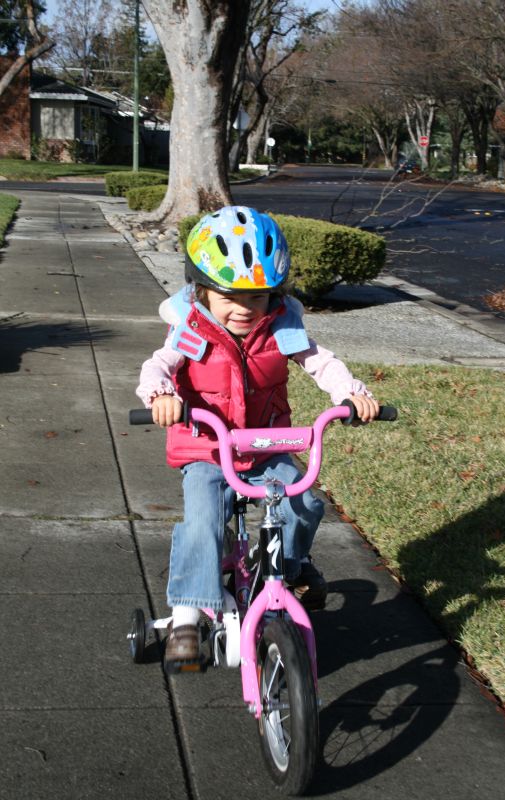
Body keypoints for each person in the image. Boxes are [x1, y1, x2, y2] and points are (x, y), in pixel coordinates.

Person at [136, 205, 380, 670]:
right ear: (202, 290)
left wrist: (350, 392)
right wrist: (160, 394)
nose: (244, 309)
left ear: (275, 294)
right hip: (208, 448)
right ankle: (187, 614)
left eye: (258, 297)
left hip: (267, 444)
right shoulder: (192, 327)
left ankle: (285, 569)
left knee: (306, 503)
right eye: (229, 296)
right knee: (205, 519)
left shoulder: (281, 325)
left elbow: (319, 361)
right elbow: (159, 365)